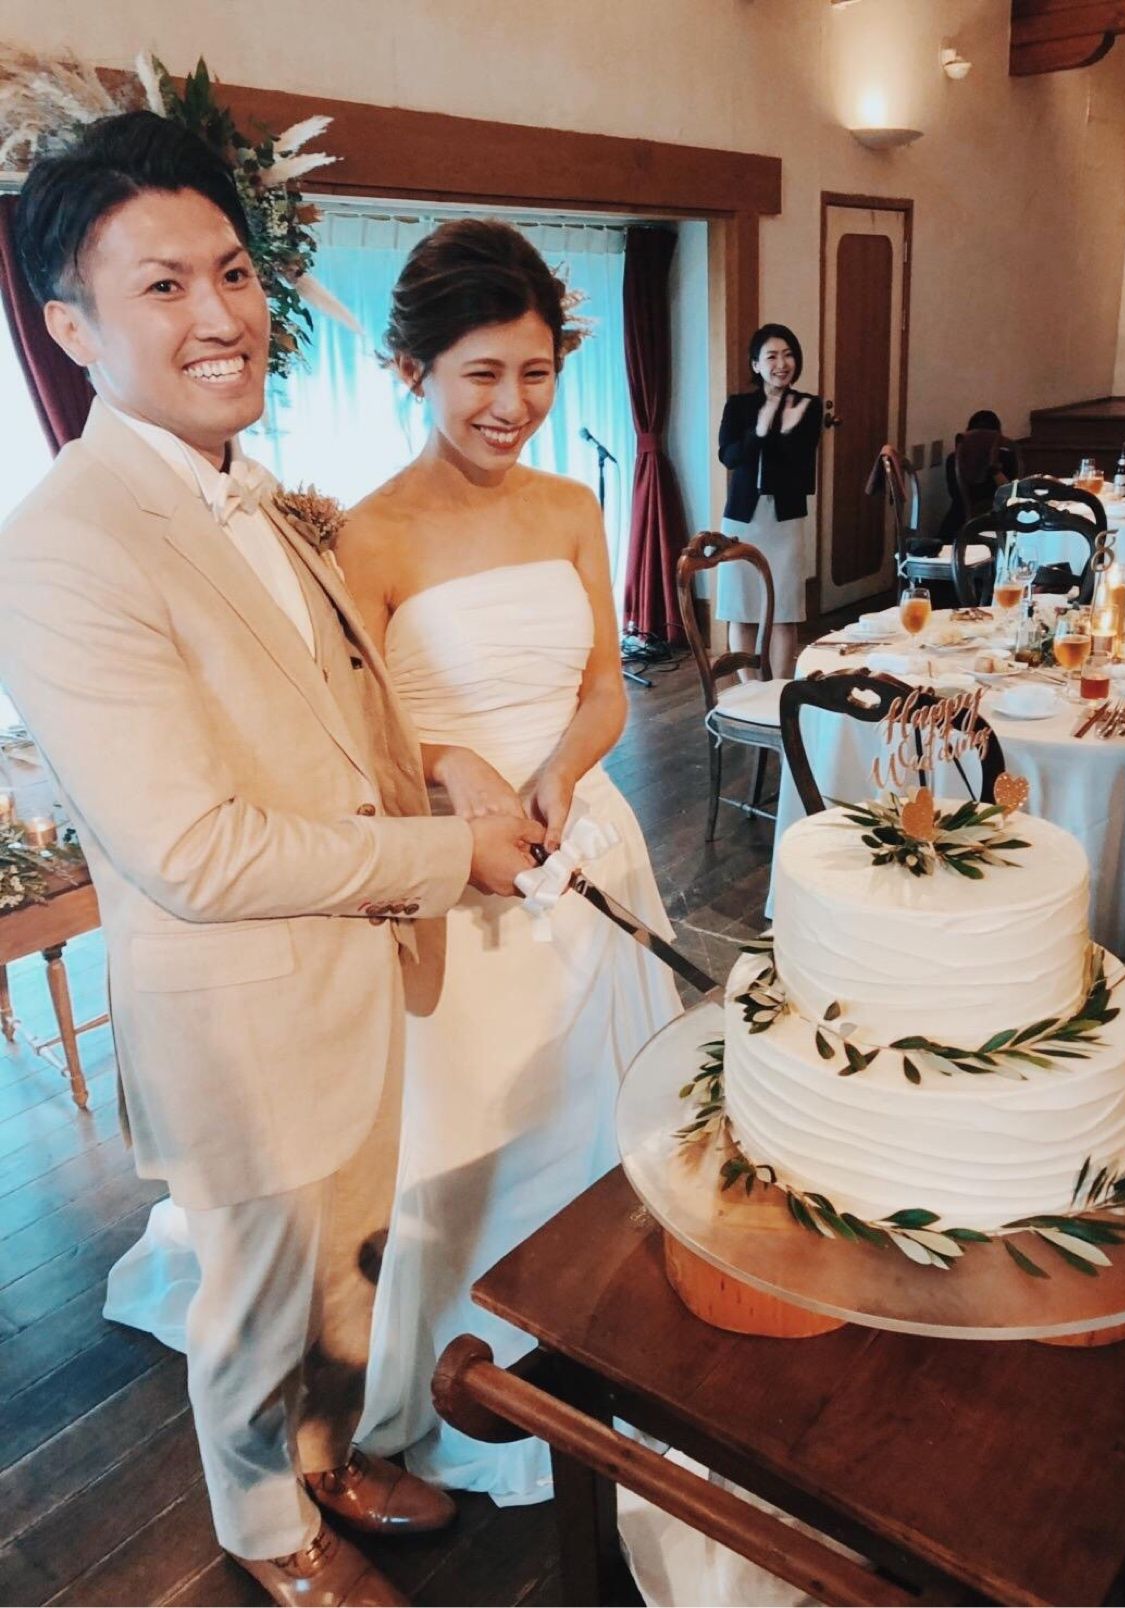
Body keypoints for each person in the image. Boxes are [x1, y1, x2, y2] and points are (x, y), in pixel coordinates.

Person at [0, 114, 544, 1608]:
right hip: (239, 1009)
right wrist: (448, 849)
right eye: (162, 286)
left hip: (349, 968)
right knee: (253, 1305)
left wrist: (438, 757)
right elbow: (191, 849)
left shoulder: (248, 482)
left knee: (348, 1260)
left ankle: (332, 1459)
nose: (221, 315)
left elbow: (325, 706)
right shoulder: (65, 543)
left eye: (231, 272)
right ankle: (268, 1534)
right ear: (71, 329)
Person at [104, 218, 682, 1506]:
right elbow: (343, 733)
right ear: (412, 371)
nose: (511, 405)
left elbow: (602, 680)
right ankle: (456, 1371)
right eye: (480, 374)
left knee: (599, 1118)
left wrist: (564, 766)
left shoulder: (570, 507)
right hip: (451, 882)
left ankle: (599, 1341)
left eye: (535, 374)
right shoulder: (359, 540)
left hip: (582, 845)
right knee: (471, 1139)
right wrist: (449, 765)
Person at [715, 323, 822, 679]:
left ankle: (777, 689)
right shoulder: (739, 406)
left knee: (784, 610)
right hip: (743, 519)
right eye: (772, 356)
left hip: (785, 519)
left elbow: (801, 463)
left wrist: (786, 430)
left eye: (788, 355)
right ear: (756, 364)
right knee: (742, 608)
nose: (781, 363)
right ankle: (750, 689)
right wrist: (760, 430)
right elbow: (730, 457)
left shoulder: (808, 406)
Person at [936, 408, 1020, 542]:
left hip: (958, 524)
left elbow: (954, 494)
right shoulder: (1007, 457)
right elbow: (1012, 493)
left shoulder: (954, 459)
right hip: (997, 522)